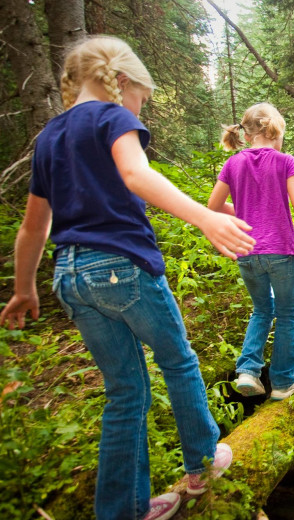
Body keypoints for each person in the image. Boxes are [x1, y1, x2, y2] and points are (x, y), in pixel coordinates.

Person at [0, 36, 252, 520]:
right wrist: (204, 216)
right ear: (123, 83)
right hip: (122, 268)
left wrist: (23, 287)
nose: (141, 111)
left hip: (70, 278)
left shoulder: (50, 136)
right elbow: (135, 174)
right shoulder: (114, 117)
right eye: (141, 100)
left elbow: (35, 225)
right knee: (177, 360)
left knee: (124, 391)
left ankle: (122, 510)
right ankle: (203, 462)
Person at [208, 102, 294, 400]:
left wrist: (244, 210)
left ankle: (248, 371)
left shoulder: (232, 163)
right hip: (280, 251)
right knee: (288, 314)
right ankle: (282, 384)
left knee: (262, 310)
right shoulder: (285, 161)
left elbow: (213, 208)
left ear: (248, 134)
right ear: (272, 129)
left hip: (247, 252)